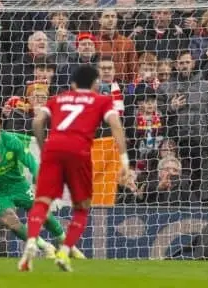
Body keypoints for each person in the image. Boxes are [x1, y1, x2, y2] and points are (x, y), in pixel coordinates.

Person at [18, 65, 129, 272]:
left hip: (53, 149)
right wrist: (124, 160)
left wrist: (44, 149)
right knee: (81, 207)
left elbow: (37, 122)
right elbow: (116, 124)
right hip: (79, 151)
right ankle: (64, 251)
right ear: (96, 83)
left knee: (42, 201)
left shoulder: (58, 98)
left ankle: (32, 241)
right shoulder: (102, 100)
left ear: (73, 84)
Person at [0, 109, 86, 259]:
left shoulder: (11, 140)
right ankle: (45, 246)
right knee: (10, 221)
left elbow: (32, 163)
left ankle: (67, 245)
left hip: (18, 185)